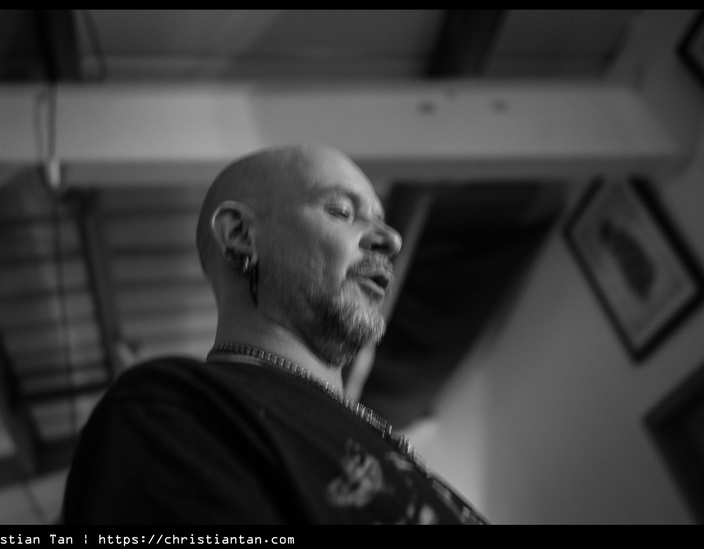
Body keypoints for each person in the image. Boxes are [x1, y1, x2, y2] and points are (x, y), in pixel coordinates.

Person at [61, 143, 487, 525]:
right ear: (240, 235)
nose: (391, 240)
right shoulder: (175, 410)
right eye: (342, 211)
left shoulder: (378, 438)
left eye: (382, 221)